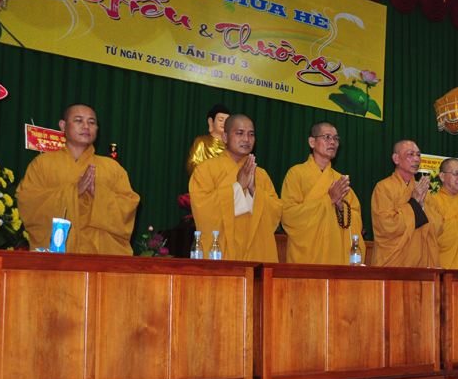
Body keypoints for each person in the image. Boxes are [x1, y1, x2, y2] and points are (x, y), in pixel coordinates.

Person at [17, 103, 140, 254]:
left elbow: (128, 208)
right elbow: (28, 204)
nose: (86, 126)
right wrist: (73, 191)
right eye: (79, 120)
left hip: (102, 256)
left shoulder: (113, 168)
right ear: (63, 126)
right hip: (57, 256)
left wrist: (99, 194)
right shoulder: (42, 164)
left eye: (91, 122)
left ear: (97, 129)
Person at [189, 114, 282, 262]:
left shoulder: (261, 175)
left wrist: (254, 191)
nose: (246, 139)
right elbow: (202, 209)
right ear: (225, 137)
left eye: (251, 134)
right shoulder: (205, 169)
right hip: (218, 250)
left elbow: (276, 211)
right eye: (240, 133)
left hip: (254, 252)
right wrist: (238, 187)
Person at [280, 121, 362, 265]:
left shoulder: (340, 180)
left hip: (335, 256)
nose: (333, 142)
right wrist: (328, 199)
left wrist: (341, 207)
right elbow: (288, 215)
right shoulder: (296, 174)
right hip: (305, 256)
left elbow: (355, 217)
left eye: (336, 139)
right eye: (327, 137)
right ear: (312, 142)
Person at [370, 140, 442, 267]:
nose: (417, 159)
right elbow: (387, 226)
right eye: (411, 154)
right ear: (396, 158)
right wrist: (414, 204)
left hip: (420, 263)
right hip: (392, 262)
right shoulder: (383, 188)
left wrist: (422, 206)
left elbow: (439, 225)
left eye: (418, 155)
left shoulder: (423, 191)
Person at [186, 103, 230, 177]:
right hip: (206, 180)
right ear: (211, 121)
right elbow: (191, 164)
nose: (224, 123)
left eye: (227, 121)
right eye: (220, 120)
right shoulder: (202, 141)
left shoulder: (231, 145)